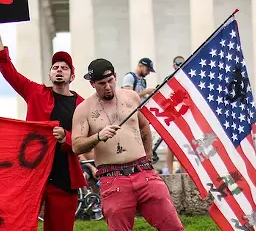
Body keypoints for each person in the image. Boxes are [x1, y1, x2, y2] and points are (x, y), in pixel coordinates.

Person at [0, 24, 86, 231]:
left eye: (64, 68)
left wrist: (65, 138)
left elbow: (86, 140)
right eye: (55, 68)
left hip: (64, 177)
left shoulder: (82, 104)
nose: (59, 70)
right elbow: (9, 71)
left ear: (72, 76)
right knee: (19, 223)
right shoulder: (35, 92)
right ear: (50, 75)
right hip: (32, 171)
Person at [71, 58, 184, 231]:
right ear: (92, 83)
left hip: (143, 172)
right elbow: (77, 146)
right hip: (113, 177)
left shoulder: (131, 97)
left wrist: (148, 159)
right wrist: (98, 137)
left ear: (115, 76)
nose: (108, 86)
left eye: (110, 81)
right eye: (102, 83)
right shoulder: (83, 109)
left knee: (173, 227)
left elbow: (144, 125)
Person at [166, 56, 185, 174]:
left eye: (182, 63)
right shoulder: (169, 79)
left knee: (183, 146)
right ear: (173, 65)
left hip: (183, 114)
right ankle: (169, 171)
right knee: (170, 145)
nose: (180, 65)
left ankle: (184, 172)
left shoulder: (186, 79)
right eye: (178, 63)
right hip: (172, 115)